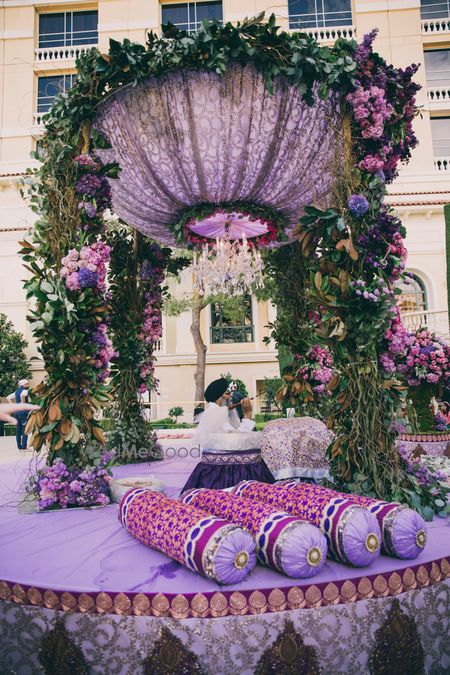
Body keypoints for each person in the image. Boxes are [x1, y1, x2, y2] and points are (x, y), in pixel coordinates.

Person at [181, 377, 274, 492]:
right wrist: (248, 414)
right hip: (223, 471)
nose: (231, 396)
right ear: (219, 398)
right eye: (227, 393)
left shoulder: (216, 411)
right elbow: (237, 441)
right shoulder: (217, 414)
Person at [7, 379, 32, 450]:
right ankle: (24, 447)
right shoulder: (25, 391)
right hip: (23, 413)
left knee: (18, 430)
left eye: (28, 384)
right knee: (25, 430)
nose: (28, 385)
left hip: (17, 413)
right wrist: (23, 402)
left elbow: (8, 397)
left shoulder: (16, 391)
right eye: (26, 384)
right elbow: (22, 395)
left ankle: (19, 447)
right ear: (22, 385)